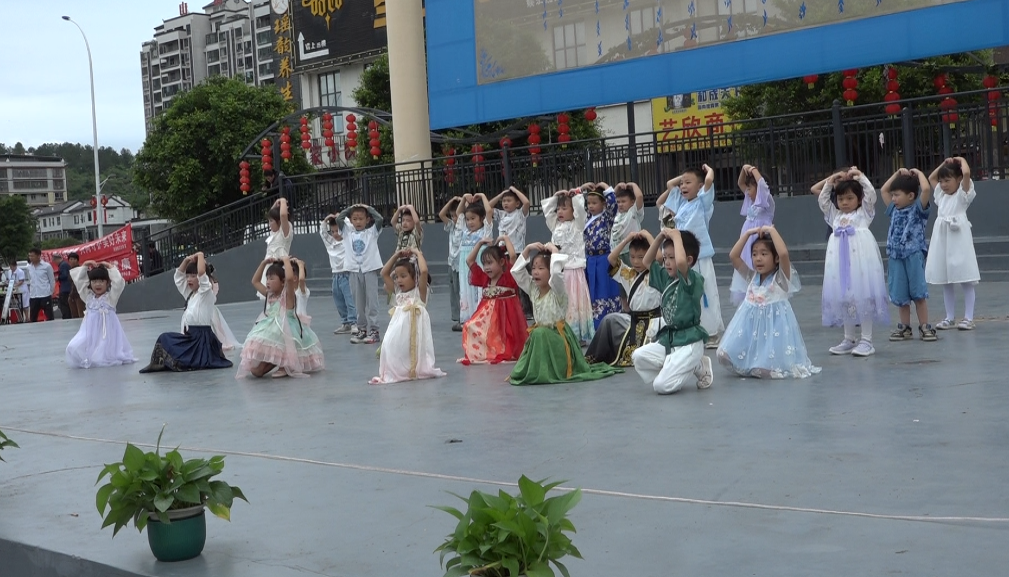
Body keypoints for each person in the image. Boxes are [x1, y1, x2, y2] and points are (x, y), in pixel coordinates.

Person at [508, 243, 622, 386]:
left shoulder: (558, 290)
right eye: (534, 268)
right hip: (541, 337)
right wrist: (528, 248)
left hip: (557, 337)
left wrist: (555, 252)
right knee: (537, 333)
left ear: (550, 270)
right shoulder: (533, 289)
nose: (535, 272)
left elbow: (556, 275)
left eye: (541, 268)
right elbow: (517, 272)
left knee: (539, 333)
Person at [717, 227, 820, 379]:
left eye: (764, 254)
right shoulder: (751, 276)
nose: (758, 258)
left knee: (765, 367)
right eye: (754, 254)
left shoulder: (780, 280)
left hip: (773, 330)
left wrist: (771, 231)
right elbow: (734, 256)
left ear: (775, 258)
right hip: (750, 330)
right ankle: (751, 362)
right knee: (723, 355)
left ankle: (761, 364)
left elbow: (784, 253)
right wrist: (747, 234)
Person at [631, 229, 713, 395]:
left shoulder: (692, 279)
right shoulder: (666, 278)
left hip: (689, 341)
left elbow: (682, 264)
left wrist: (676, 236)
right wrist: (660, 236)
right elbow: (648, 261)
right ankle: (692, 365)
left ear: (689, 260)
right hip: (671, 339)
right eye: (665, 257)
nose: (667, 262)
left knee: (661, 386)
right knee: (638, 356)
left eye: (672, 258)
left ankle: (693, 363)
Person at [818, 167, 890, 357]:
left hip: (861, 264)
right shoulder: (835, 216)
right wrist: (831, 181)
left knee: (863, 296)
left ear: (858, 199)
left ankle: (866, 339)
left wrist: (861, 177)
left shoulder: (863, 214)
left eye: (850, 198)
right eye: (841, 199)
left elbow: (871, 196)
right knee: (845, 298)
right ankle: (848, 338)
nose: (845, 202)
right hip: (840, 265)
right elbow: (823, 201)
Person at [656, 164, 724, 348]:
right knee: (686, 294)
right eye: (682, 183)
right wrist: (684, 178)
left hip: (699, 256)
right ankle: (692, 328)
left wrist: (708, 169)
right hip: (682, 256)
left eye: (688, 183)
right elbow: (671, 184)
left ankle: (710, 332)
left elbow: (709, 179)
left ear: (700, 186)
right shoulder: (681, 203)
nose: (683, 186)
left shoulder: (703, 202)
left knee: (704, 293)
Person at [139, 253, 233, 373]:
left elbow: (202, 274)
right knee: (164, 338)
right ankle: (160, 363)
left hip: (201, 339)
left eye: (193, 276)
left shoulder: (206, 293)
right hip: (189, 336)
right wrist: (187, 260)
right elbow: (178, 277)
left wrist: (200, 256)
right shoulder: (190, 293)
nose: (189, 279)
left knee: (181, 356)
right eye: (188, 276)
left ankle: (179, 361)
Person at [239, 257, 324, 378]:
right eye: (267, 278)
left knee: (281, 336)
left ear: (282, 282)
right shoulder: (270, 295)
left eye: (272, 278)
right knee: (256, 372)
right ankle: (276, 363)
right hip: (274, 330)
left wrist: (286, 261)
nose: (267, 281)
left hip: (288, 331)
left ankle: (285, 365)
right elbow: (255, 281)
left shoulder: (288, 295)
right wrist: (263, 263)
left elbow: (289, 278)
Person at [370, 248, 445, 384]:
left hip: (416, 328)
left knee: (414, 350)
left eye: (403, 276)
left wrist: (418, 253)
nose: (399, 280)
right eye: (397, 276)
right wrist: (396, 255)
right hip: (398, 328)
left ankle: (413, 370)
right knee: (389, 345)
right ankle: (397, 370)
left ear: (414, 277)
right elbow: (383, 273)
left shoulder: (420, 292)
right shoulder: (398, 291)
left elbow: (423, 271)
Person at [585, 231, 659, 367]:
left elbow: (659, 257)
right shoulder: (629, 273)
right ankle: (594, 356)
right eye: (632, 257)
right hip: (634, 319)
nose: (636, 261)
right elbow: (611, 259)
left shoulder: (656, 273)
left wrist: (648, 235)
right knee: (609, 320)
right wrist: (627, 239)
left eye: (641, 257)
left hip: (654, 322)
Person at [881, 168, 935, 342]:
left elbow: (926, 189)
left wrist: (918, 173)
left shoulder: (919, 209)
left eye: (897, 195)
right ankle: (905, 327)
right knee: (900, 294)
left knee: (918, 293)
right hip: (896, 256)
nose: (894, 198)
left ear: (911, 196)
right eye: (893, 195)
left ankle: (925, 326)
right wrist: (897, 174)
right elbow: (883, 190)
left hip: (913, 254)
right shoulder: (894, 210)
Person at [925, 157, 979, 331]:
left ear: (958, 180)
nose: (943, 184)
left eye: (947, 180)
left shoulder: (963, 195)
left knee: (965, 277)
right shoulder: (941, 195)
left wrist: (961, 159)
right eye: (942, 181)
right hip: (943, 239)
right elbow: (931, 178)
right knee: (946, 279)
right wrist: (943, 164)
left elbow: (967, 173)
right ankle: (949, 317)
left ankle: (969, 317)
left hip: (959, 238)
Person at [459, 235, 527, 365]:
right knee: (469, 326)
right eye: (484, 264)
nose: (486, 267)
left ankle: (502, 350)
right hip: (487, 315)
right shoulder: (484, 278)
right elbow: (469, 261)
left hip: (506, 315)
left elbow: (513, 257)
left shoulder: (508, 276)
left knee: (506, 338)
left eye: (490, 263)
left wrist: (505, 238)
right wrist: (479, 243)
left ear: (501, 262)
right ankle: (487, 351)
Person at [541, 189, 594, 344]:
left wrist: (575, 196)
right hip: (559, 270)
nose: (560, 212)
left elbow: (580, 211)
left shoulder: (578, 225)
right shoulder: (555, 225)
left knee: (574, 301)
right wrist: (556, 196)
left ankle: (577, 333)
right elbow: (547, 212)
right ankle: (563, 330)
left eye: (564, 208)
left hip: (574, 270)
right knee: (561, 301)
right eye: (558, 209)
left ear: (572, 211)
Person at [65, 261, 135, 368]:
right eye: (94, 281)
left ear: (107, 283)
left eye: (102, 281)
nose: (98, 284)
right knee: (72, 347)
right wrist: (85, 265)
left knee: (102, 356)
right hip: (88, 332)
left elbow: (119, 283)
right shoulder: (88, 297)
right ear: (90, 283)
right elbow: (79, 282)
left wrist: (110, 267)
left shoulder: (111, 298)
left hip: (107, 333)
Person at [334, 203, 384, 345]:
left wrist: (368, 208)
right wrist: (350, 209)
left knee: (372, 301)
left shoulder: (372, 232)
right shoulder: (347, 232)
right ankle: (362, 329)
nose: (358, 222)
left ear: (367, 220)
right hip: (354, 271)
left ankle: (374, 330)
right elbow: (339, 219)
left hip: (369, 269)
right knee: (358, 302)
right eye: (354, 219)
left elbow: (379, 218)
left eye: (361, 218)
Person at [729, 165, 776, 305]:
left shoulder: (767, 202)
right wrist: (744, 170)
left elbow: (762, 185)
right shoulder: (750, 202)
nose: (747, 191)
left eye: (751, 188)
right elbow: (740, 183)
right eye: (747, 188)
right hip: (747, 241)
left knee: (760, 263)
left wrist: (755, 170)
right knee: (747, 268)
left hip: (759, 239)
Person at [582, 182, 621, 330]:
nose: (591, 206)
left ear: (603, 204)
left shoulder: (607, 218)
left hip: (604, 258)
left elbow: (613, 204)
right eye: (589, 203)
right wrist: (584, 188)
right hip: (590, 259)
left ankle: (610, 322)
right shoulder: (586, 218)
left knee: (605, 288)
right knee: (592, 291)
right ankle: (594, 325)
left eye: (594, 203)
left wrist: (605, 187)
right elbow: (579, 204)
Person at [490, 186, 532, 318]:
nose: (505, 203)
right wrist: (500, 194)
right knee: (508, 282)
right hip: (503, 253)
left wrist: (515, 190)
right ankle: (513, 308)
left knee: (523, 282)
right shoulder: (501, 214)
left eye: (509, 200)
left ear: (517, 203)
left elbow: (527, 203)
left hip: (518, 252)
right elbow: (488, 207)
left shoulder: (520, 213)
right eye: (504, 201)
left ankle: (528, 310)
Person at [456, 193, 494, 324]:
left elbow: (488, 211)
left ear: (482, 219)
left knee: (479, 289)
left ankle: (480, 315)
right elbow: (458, 212)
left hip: (478, 264)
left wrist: (483, 196)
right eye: (468, 219)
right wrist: (464, 198)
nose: (469, 222)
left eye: (473, 218)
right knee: (466, 289)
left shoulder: (485, 231)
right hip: (465, 266)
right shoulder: (464, 231)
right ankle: (469, 317)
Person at [320, 213, 358, 335]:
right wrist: (326, 219)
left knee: (350, 300)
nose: (336, 234)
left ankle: (354, 323)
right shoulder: (330, 243)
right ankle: (345, 323)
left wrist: (342, 218)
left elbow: (351, 228)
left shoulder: (348, 239)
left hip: (347, 274)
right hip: (336, 276)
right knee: (339, 300)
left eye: (338, 230)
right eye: (333, 231)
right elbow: (323, 233)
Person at [258, 198, 293, 300]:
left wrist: (282, 201)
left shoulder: (285, 232)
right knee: (269, 298)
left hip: (280, 268)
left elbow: (282, 215)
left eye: (271, 221)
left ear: (279, 221)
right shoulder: (273, 233)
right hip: (270, 268)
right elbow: (271, 213)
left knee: (281, 297)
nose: (269, 224)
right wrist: (275, 203)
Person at [438, 196, 465, 331]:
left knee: (461, 291)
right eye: (452, 216)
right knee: (454, 292)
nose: (454, 218)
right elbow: (441, 214)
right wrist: (451, 200)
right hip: (452, 263)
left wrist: (463, 201)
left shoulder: (464, 226)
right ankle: (457, 317)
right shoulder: (451, 226)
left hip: (461, 264)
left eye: (456, 216)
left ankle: (464, 317)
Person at [207, 264, 240, 351]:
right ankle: (220, 341)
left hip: (208, 307)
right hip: (213, 308)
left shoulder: (206, 283)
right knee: (217, 327)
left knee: (213, 326)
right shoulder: (214, 282)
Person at [611, 182, 645, 265]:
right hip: (616, 251)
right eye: (618, 202)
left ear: (632, 202)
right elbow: (611, 200)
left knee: (632, 275)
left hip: (630, 252)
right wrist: (617, 187)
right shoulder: (615, 213)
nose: (620, 204)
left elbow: (639, 196)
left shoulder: (634, 212)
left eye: (623, 201)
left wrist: (633, 185)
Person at [25, 248, 55, 322]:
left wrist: (50, 292)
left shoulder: (46, 266)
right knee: (33, 318)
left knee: (49, 317)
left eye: (32, 256)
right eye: (29, 256)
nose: (31, 258)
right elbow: (29, 280)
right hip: (34, 296)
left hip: (45, 294)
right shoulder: (28, 267)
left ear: (39, 256)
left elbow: (52, 280)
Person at [2, 258, 27, 322]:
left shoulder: (20, 271)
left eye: (12, 266)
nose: (11, 268)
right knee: (16, 305)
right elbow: (9, 279)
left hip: (21, 289)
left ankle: (27, 318)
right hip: (13, 291)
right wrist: (7, 283)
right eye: (10, 266)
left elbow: (21, 281)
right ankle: (20, 319)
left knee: (24, 305)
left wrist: (14, 285)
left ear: (15, 266)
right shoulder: (9, 271)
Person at [53, 254, 73, 319]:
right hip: (66, 288)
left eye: (54, 261)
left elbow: (64, 275)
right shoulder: (64, 264)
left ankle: (67, 317)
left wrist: (58, 278)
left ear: (57, 259)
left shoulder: (63, 265)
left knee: (64, 305)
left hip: (65, 288)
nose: (55, 263)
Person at [66, 252, 85, 318]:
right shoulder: (70, 270)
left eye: (73, 259)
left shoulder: (81, 269)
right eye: (70, 259)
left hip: (80, 295)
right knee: (74, 315)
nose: (72, 261)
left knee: (81, 314)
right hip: (72, 295)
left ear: (77, 260)